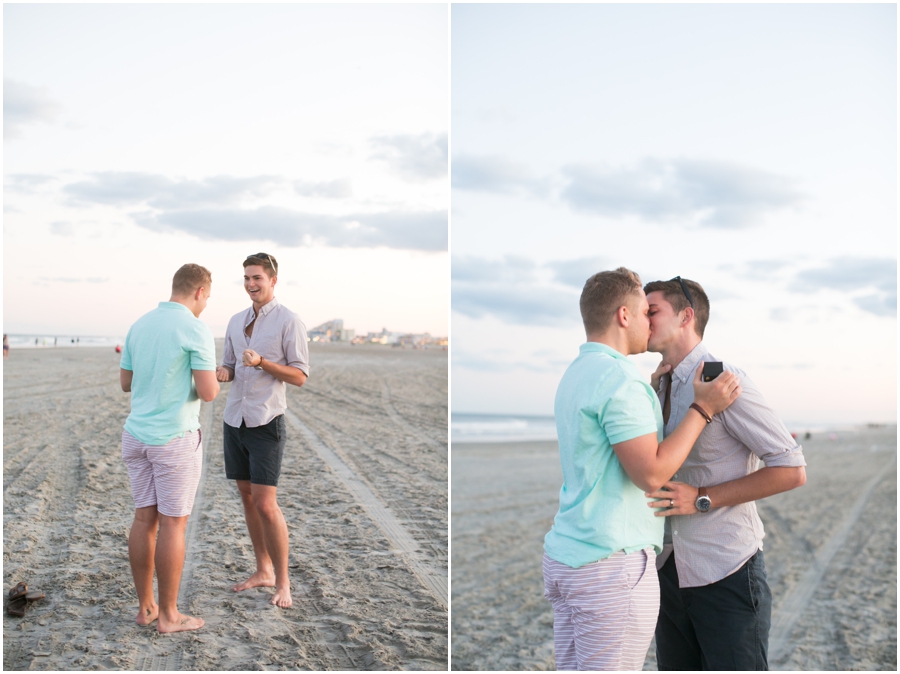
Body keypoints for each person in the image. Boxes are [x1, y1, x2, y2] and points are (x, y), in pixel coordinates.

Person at [542, 267, 743, 671]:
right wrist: (703, 408)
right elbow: (651, 475)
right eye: (643, 311)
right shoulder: (620, 381)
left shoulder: (577, 372)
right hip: (609, 563)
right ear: (623, 315)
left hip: (567, 557)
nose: (649, 323)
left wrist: (648, 396)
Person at [642, 276, 807, 671]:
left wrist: (702, 497)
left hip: (726, 570)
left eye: (653, 311)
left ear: (686, 316)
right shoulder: (659, 383)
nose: (643, 319)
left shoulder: (724, 380)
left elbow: (792, 469)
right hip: (669, 569)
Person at [119, 264, 219, 633]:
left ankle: (146, 607)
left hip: (136, 435)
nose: (206, 304)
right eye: (207, 297)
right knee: (174, 525)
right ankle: (170, 615)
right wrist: (208, 379)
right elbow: (208, 393)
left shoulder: (140, 324)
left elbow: (126, 383)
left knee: (144, 521)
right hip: (173, 438)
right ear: (199, 292)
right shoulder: (195, 328)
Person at [215, 253, 309, 608]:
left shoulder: (289, 321)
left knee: (267, 504)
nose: (251, 284)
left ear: (272, 280)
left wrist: (263, 363)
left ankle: (283, 582)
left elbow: (299, 376)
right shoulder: (236, 320)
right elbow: (229, 365)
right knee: (247, 498)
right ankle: (262, 570)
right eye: (246, 278)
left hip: (266, 420)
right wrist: (224, 372)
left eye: (257, 278)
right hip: (234, 418)